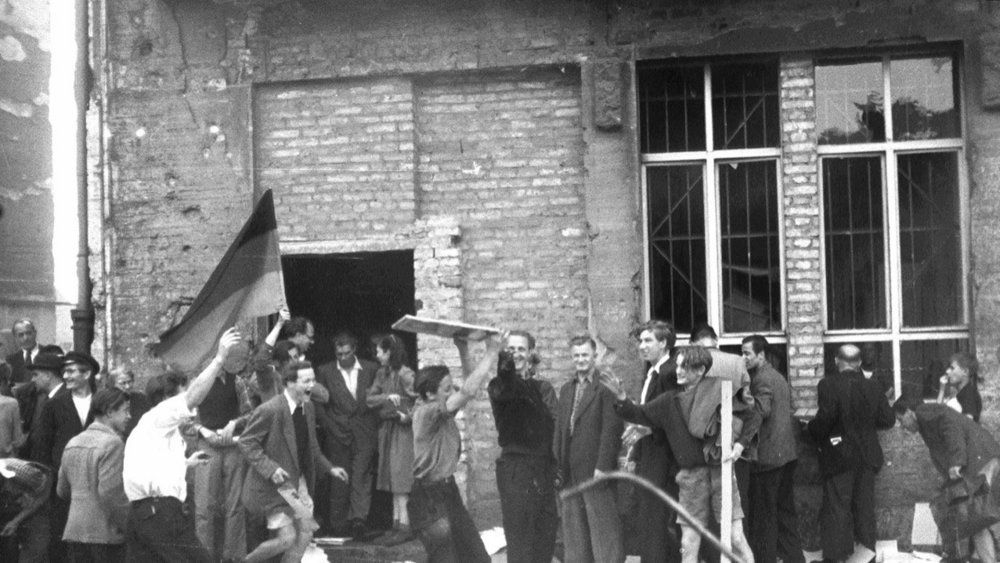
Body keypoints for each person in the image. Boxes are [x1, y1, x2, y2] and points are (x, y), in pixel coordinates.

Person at [603, 345, 759, 563]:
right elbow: (639, 414)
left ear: (700, 370)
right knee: (688, 542)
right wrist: (621, 398)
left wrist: (740, 445)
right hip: (691, 478)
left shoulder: (720, 391)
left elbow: (752, 417)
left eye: (685, 366)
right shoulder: (669, 401)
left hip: (720, 473)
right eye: (677, 365)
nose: (678, 371)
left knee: (735, 537)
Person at [122, 327, 241, 562]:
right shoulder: (157, 417)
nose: (194, 408)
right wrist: (219, 359)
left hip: (152, 513)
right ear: (168, 400)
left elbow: (151, 466)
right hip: (159, 514)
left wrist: (186, 462)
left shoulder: (158, 429)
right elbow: (192, 397)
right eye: (181, 394)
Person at [238, 360, 348, 563]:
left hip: (294, 486)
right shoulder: (270, 410)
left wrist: (330, 468)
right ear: (289, 383)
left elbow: (312, 447)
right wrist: (271, 469)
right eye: (306, 381)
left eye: (313, 380)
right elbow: (246, 442)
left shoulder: (309, 408)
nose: (311, 386)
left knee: (306, 532)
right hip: (274, 487)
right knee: (287, 539)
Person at [408, 334, 500, 563]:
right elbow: (467, 392)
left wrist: (463, 350)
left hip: (447, 493)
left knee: (477, 558)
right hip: (429, 498)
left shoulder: (439, 410)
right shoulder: (427, 413)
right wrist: (491, 353)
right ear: (430, 393)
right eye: (447, 389)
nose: (452, 392)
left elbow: (468, 391)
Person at [808, 344, 895, 563]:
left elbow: (825, 419)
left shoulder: (828, 384)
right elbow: (888, 420)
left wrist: (811, 428)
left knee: (837, 510)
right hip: (867, 457)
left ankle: (836, 558)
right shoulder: (874, 387)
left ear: (837, 361)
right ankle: (868, 557)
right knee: (865, 510)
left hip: (839, 457)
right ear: (858, 363)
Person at [894, 393, 1000, 563]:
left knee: (981, 517)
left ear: (908, 411)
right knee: (977, 521)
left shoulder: (924, 413)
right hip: (979, 461)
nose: (902, 426)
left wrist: (957, 461)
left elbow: (950, 425)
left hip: (980, 463)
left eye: (901, 420)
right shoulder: (925, 419)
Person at [487, 330, 558, 563]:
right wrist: (502, 359)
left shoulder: (543, 388)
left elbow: (554, 426)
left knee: (545, 538)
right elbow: (510, 387)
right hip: (516, 469)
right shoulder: (499, 386)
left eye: (521, 349)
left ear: (530, 353)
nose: (516, 354)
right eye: (510, 349)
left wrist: (556, 468)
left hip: (543, 468)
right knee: (520, 542)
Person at [555, 335, 625, 563]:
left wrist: (603, 466)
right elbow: (561, 430)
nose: (580, 360)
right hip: (570, 472)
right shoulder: (567, 389)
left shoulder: (605, 387)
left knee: (604, 533)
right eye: (576, 355)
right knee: (575, 537)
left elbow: (611, 430)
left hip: (596, 471)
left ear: (594, 356)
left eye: (585, 355)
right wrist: (558, 466)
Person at [186, 337, 256, 563]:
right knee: (204, 506)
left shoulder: (237, 383)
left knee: (235, 505)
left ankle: (233, 557)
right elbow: (184, 417)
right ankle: (204, 557)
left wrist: (234, 423)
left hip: (232, 445)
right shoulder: (198, 382)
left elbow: (250, 414)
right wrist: (202, 430)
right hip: (208, 446)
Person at [623, 320, 682, 563]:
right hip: (651, 455)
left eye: (648, 340)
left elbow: (675, 414)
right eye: (640, 341)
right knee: (651, 520)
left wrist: (648, 430)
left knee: (657, 521)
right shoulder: (652, 371)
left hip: (664, 459)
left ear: (664, 343)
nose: (642, 346)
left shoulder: (669, 373)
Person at [741, 335, 803, 563]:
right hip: (785, 455)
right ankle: (795, 558)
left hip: (767, 459)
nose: (743, 357)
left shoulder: (760, 379)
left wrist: (742, 395)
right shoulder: (777, 376)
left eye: (747, 353)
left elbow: (761, 411)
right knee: (785, 513)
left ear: (761, 355)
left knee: (764, 517)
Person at [34, 350, 100, 562]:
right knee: (61, 537)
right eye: (64, 372)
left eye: (71, 371)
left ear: (87, 373)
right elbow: (42, 445)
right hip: (63, 484)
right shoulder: (54, 405)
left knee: (95, 538)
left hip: (98, 479)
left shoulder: (103, 401)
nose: (66, 376)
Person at [314, 331, 379, 537]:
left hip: (365, 431)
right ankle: (338, 525)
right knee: (340, 476)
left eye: (346, 353)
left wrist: (373, 426)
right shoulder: (325, 371)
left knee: (362, 475)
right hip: (337, 431)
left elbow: (377, 399)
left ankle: (359, 521)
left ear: (355, 349)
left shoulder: (371, 368)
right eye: (339, 354)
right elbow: (319, 405)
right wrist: (330, 427)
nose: (342, 357)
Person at [56, 388, 131, 563]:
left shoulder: (73, 442)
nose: (129, 416)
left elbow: (62, 491)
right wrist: (129, 526)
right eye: (125, 410)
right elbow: (110, 492)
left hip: (75, 531)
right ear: (110, 411)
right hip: (105, 534)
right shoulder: (113, 443)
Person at [366, 334, 417, 538]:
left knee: (401, 479)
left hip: (403, 432)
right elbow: (369, 399)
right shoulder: (382, 373)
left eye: (379, 350)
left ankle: (405, 527)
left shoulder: (406, 374)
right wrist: (387, 397)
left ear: (389, 352)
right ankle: (397, 525)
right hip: (388, 431)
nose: (377, 354)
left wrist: (407, 417)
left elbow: (419, 401)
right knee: (392, 479)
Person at [0, 457, 51, 563]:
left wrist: (16, 521)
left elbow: (44, 492)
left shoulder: (20, 472)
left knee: (34, 552)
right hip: (11, 507)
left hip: (37, 506)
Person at [937, 351, 982, 422]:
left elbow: (968, 423)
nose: (947, 371)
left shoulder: (968, 394)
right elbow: (937, 412)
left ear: (965, 372)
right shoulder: (959, 393)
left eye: (952, 368)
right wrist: (942, 389)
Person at [108, 368, 150, 438]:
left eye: (129, 382)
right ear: (113, 385)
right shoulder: (107, 402)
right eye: (123, 383)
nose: (127, 386)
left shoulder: (142, 399)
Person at [6, 318, 41, 386]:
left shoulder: (48, 353)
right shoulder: (11, 360)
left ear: (35, 333)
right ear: (15, 337)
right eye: (21, 335)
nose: (25, 338)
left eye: (28, 333)